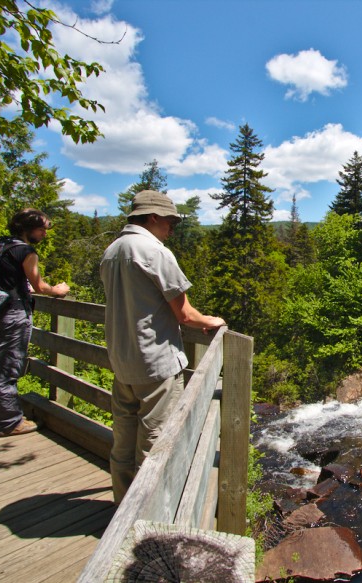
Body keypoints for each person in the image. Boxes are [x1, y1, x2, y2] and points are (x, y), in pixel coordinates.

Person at [100, 190, 226, 504]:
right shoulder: (155, 252)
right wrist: (213, 319)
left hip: (122, 360)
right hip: (156, 363)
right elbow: (185, 314)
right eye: (170, 221)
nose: (172, 228)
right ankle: (146, 515)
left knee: (123, 441)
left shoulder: (113, 250)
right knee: (155, 443)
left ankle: (121, 507)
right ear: (153, 217)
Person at [0, 209, 70, 437]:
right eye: (42, 230)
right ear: (29, 229)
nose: (44, 234)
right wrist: (58, 290)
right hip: (14, 314)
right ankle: (10, 423)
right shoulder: (25, 251)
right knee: (8, 369)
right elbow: (39, 286)